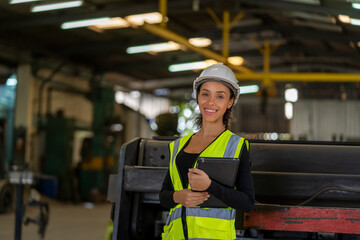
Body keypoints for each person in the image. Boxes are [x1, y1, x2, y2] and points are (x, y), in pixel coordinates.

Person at [159, 63, 255, 240]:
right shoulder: (178, 146)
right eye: (205, 94)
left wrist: (210, 186)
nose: (210, 102)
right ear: (197, 97)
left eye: (220, 96)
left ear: (230, 102)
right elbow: (164, 196)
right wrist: (178, 197)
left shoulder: (236, 146)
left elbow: (247, 202)